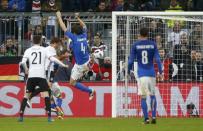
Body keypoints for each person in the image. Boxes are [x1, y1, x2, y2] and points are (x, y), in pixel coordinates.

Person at [18, 35, 68, 122]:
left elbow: (22, 62)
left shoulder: (28, 50)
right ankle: (49, 118)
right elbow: (52, 59)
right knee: (46, 95)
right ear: (40, 41)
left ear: (32, 41)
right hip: (41, 76)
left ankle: (21, 116)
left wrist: (26, 69)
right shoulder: (44, 50)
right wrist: (63, 65)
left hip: (31, 76)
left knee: (26, 96)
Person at [56, 11, 95, 100]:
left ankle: (90, 90)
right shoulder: (84, 35)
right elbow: (84, 26)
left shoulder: (74, 38)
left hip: (81, 64)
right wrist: (78, 18)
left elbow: (64, 28)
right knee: (72, 47)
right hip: (86, 59)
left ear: (74, 33)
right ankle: (86, 71)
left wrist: (59, 17)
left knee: (72, 82)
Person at [128, 27, 163, 124]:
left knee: (143, 97)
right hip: (151, 74)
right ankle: (154, 116)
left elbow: (130, 60)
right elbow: (158, 60)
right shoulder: (153, 44)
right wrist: (160, 72)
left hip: (142, 74)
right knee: (152, 95)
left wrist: (128, 71)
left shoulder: (135, 45)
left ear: (139, 34)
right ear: (148, 34)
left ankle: (146, 119)